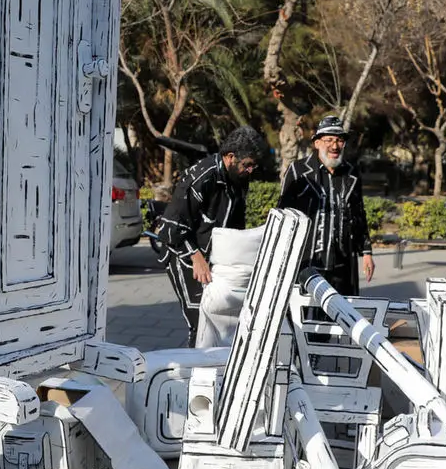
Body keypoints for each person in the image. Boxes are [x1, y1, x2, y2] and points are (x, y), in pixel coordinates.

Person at [154, 126, 265, 346]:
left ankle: (219, 370)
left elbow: (235, 223)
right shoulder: (202, 176)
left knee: (225, 316)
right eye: (247, 165)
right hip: (183, 252)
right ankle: (196, 374)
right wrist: (196, 258)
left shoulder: (239, 177)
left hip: (214, 256)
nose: (251, 170)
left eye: (254, 165)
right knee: (199, 318)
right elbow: (171, 228)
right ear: (230, 157)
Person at [277, 115, 375, 295]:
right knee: (308, 316)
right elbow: (284, 215)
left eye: (339, 140)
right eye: (328, 139)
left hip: (343, 263)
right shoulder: (299, 171)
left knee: (343, 313)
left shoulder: (351, 174)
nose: (334, 145)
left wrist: (367, 253)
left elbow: (359, 214)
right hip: (307, 260)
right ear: (317, 143)